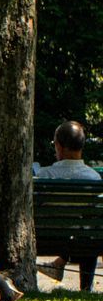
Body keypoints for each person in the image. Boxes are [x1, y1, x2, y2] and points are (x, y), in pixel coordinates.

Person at [33, 120, 100, 287]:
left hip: (45, 239)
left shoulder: (44, 175)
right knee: (87, 232)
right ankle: (86, 287)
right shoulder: (93, 178)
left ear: (59, 146)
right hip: (82, 243)